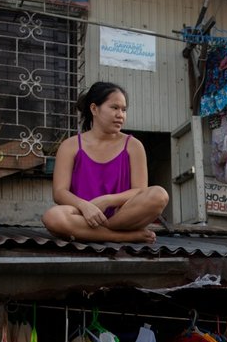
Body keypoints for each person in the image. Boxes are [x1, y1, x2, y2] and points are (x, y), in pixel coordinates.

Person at [42, 82, 169, 243]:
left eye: (124, 110)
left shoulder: (133, 145)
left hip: (122, 215)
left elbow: (139, 190)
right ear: (94, 109)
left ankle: (100, 231)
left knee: (159, 195)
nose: (120, 115)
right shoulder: (70, 145)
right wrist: (85, 206)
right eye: (114, 108)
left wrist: (107, 200)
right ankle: (123, 237)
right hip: (84, 215)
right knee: (53, 216)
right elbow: (59, 192)